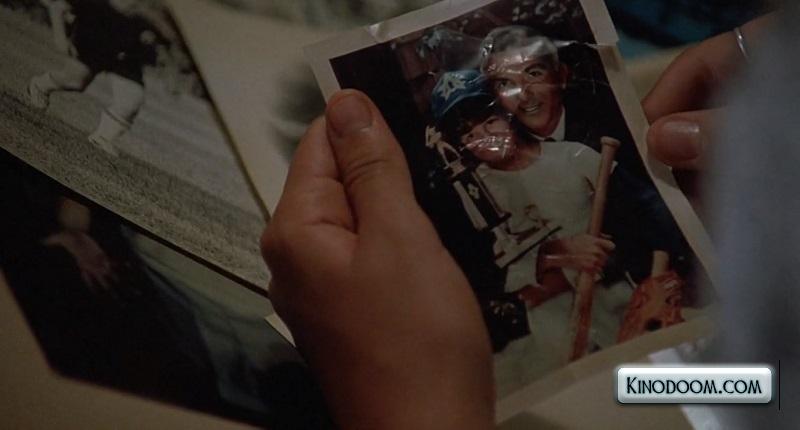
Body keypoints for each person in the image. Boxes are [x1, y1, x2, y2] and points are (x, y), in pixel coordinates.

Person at [261, 11, 796, 430]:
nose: (483, 135)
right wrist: (550, 262)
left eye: (486, 118)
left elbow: (647, 232)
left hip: (629, 334)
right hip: (553, 345)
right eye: (467, 130)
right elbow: (491, 280)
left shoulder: (579, 160)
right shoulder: (470, 199)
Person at [27, 0, 176, 156]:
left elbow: (167, 39)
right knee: (76, 81)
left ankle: (103, 137)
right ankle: (40, 85)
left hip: (124, 49)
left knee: (133, 96)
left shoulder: (154, 11)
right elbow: (58, 7)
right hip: (94, 38)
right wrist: (60, 38)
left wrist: (169, 72)